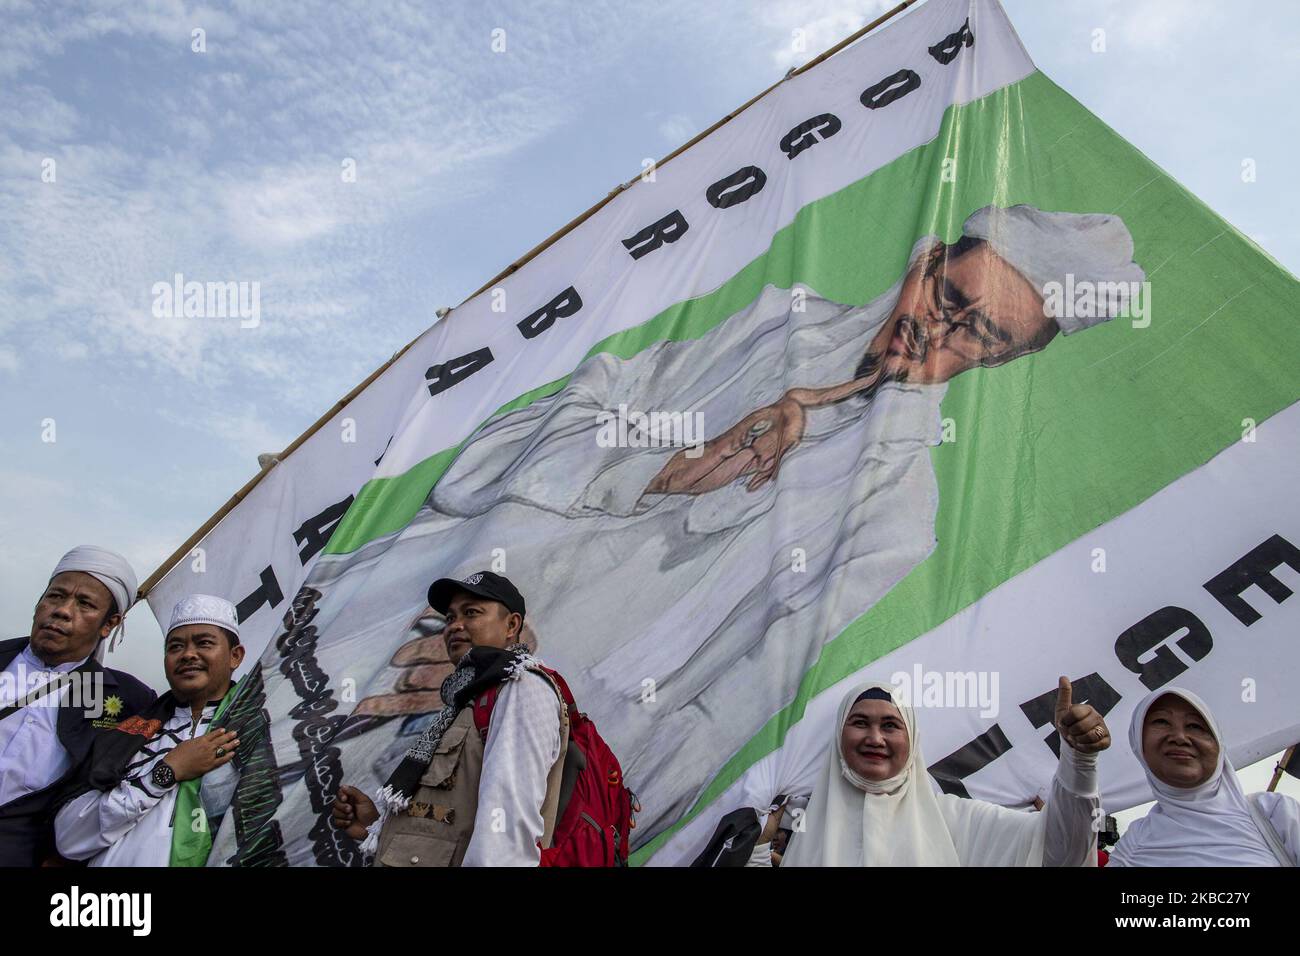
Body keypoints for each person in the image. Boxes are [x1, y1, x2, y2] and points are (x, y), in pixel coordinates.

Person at [242, 203, 1145, 851]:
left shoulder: (897, 518)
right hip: (398, 631)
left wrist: (546, 756)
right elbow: (519, 440)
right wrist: (664, 465)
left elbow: (719, 715)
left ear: (1004, 357)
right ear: (925, 260)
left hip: (535, 755)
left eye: (979, 335)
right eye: (947, 295)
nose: (937, 333)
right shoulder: (769, 326)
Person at [332, 572, 570, 867]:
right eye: (449, 618)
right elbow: (450, 822)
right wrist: (376, 826)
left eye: (471, 613)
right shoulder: (465, 699)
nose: (455, 626)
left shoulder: (520, 687)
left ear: (512, 625)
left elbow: (505, 831)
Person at [780, 678, 1109, 866]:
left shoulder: (956, 821)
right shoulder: (808, 826)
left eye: (891, 725)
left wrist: (1079, 763)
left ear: (913, 740)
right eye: (860, 723)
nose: (874, 738)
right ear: (839, 735)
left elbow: (1061, 852)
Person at [54, 594, 246, 866]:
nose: (188, 654)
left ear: (235, 656)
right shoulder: (125, 736)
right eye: (176, 646)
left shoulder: (255, 731)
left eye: (204, 643)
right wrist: (164, 773)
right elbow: (69, 838)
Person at [0, 545, 155, 866]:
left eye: (84, 604)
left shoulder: (129, 700)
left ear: (109, 623)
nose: (62, 610)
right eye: (55, 596)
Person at [1108, 687, 1298, 867]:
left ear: (1218, 744)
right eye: (1161, 722)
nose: (1179, 737)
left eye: (1195, 726)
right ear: (1138, 744)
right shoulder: (1131, 847)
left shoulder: (1274, 813)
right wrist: (1085, 764)